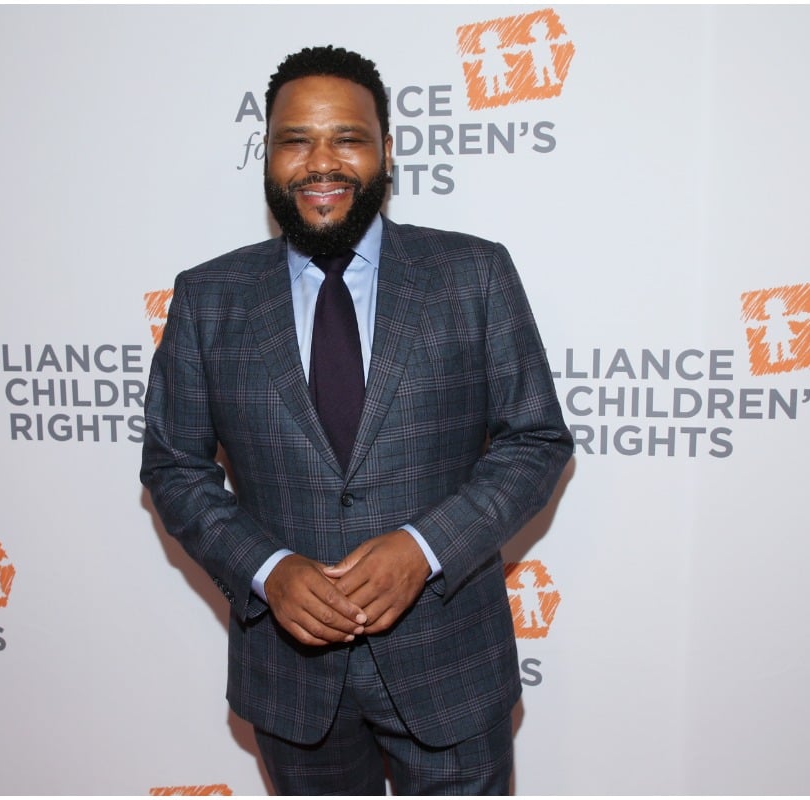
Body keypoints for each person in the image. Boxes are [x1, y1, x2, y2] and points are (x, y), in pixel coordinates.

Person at [140, 45, 572, 796]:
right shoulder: (211, 297)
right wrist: (267, 571)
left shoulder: (473, 275)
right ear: (267, 155)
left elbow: (536, 439)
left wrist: (423, 548)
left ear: (387, 151)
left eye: (347, 137)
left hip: (451, 668)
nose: (321, 162)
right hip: (290, 675)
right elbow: (174, 465)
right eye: (295, 140)